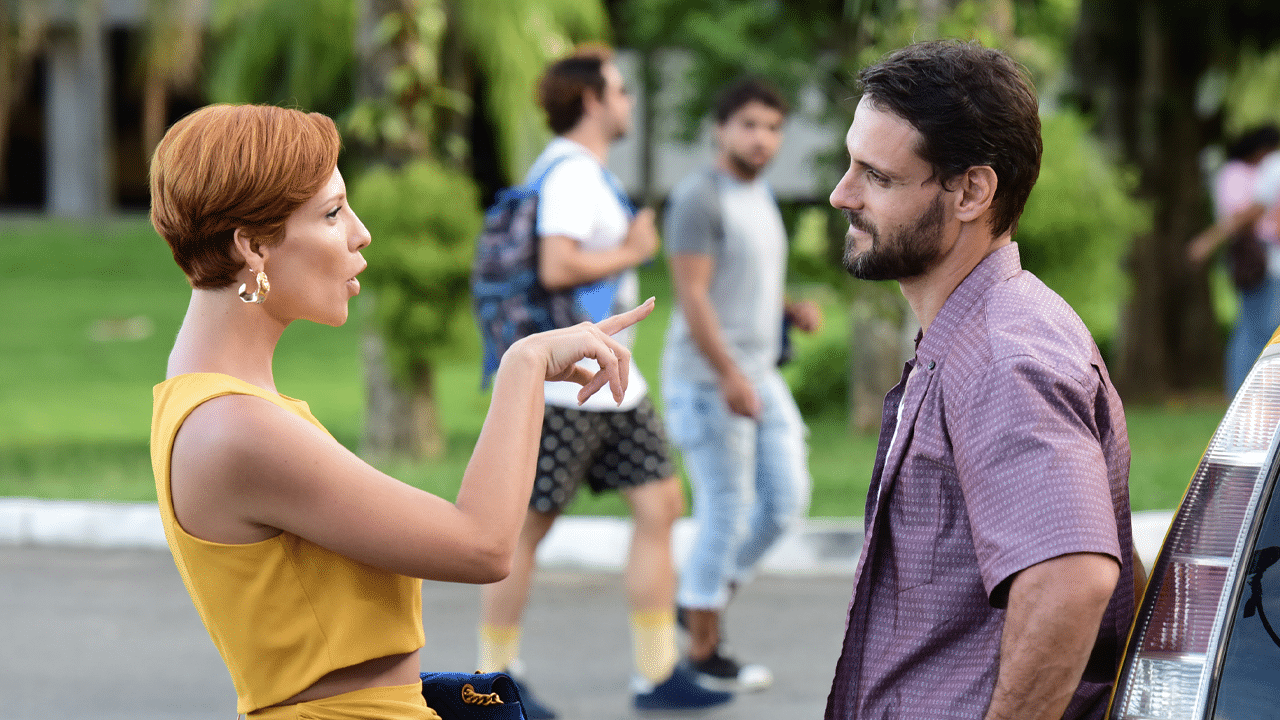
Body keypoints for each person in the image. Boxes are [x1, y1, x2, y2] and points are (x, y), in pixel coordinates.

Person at [148, 103, 654, 720]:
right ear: (253, 246)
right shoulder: (236, 428)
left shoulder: (211, 404)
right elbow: (484, 547)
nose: (360, 233)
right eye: (333, 213)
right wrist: (524, 367)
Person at [824, 41, 1135, 720]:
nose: (840, 194)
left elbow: (1072, 578)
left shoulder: (1004, 356)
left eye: (876, 175)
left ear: (971, 191)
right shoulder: (974, 335)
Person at [474, 46, 732, 716]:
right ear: (591, 101)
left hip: (614, 379)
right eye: (620, 90)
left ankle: (656, 673)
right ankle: (489, 682)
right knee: (522, 532)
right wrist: (635, 251)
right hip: (567, 383)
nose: (629, 101)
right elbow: (558, 267)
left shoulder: (580, 173)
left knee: (660, 504)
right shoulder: (569, 177)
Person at [660, 78, 819, 691]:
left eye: (773, 127)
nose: (763, 138)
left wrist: (787, 310)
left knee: (784, 504)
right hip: (709, 381)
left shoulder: (759, 195)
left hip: (759, 375)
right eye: (750, 124)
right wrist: (728, 375)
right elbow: (693, 295)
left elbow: (744, 280)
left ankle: (703, 597)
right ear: (721, 129)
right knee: (725, 512)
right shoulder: (700, 198)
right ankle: (702, 651)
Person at [1186, 125, 1280, 397]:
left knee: (1260, 326)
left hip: (1267, 259)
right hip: (1257, 260)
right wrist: (1208, 241)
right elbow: (1242, 215)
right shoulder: (1240, 173)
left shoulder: (1266, 169)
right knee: (1256, 327)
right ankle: (1242, 394)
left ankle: (1257, 394)